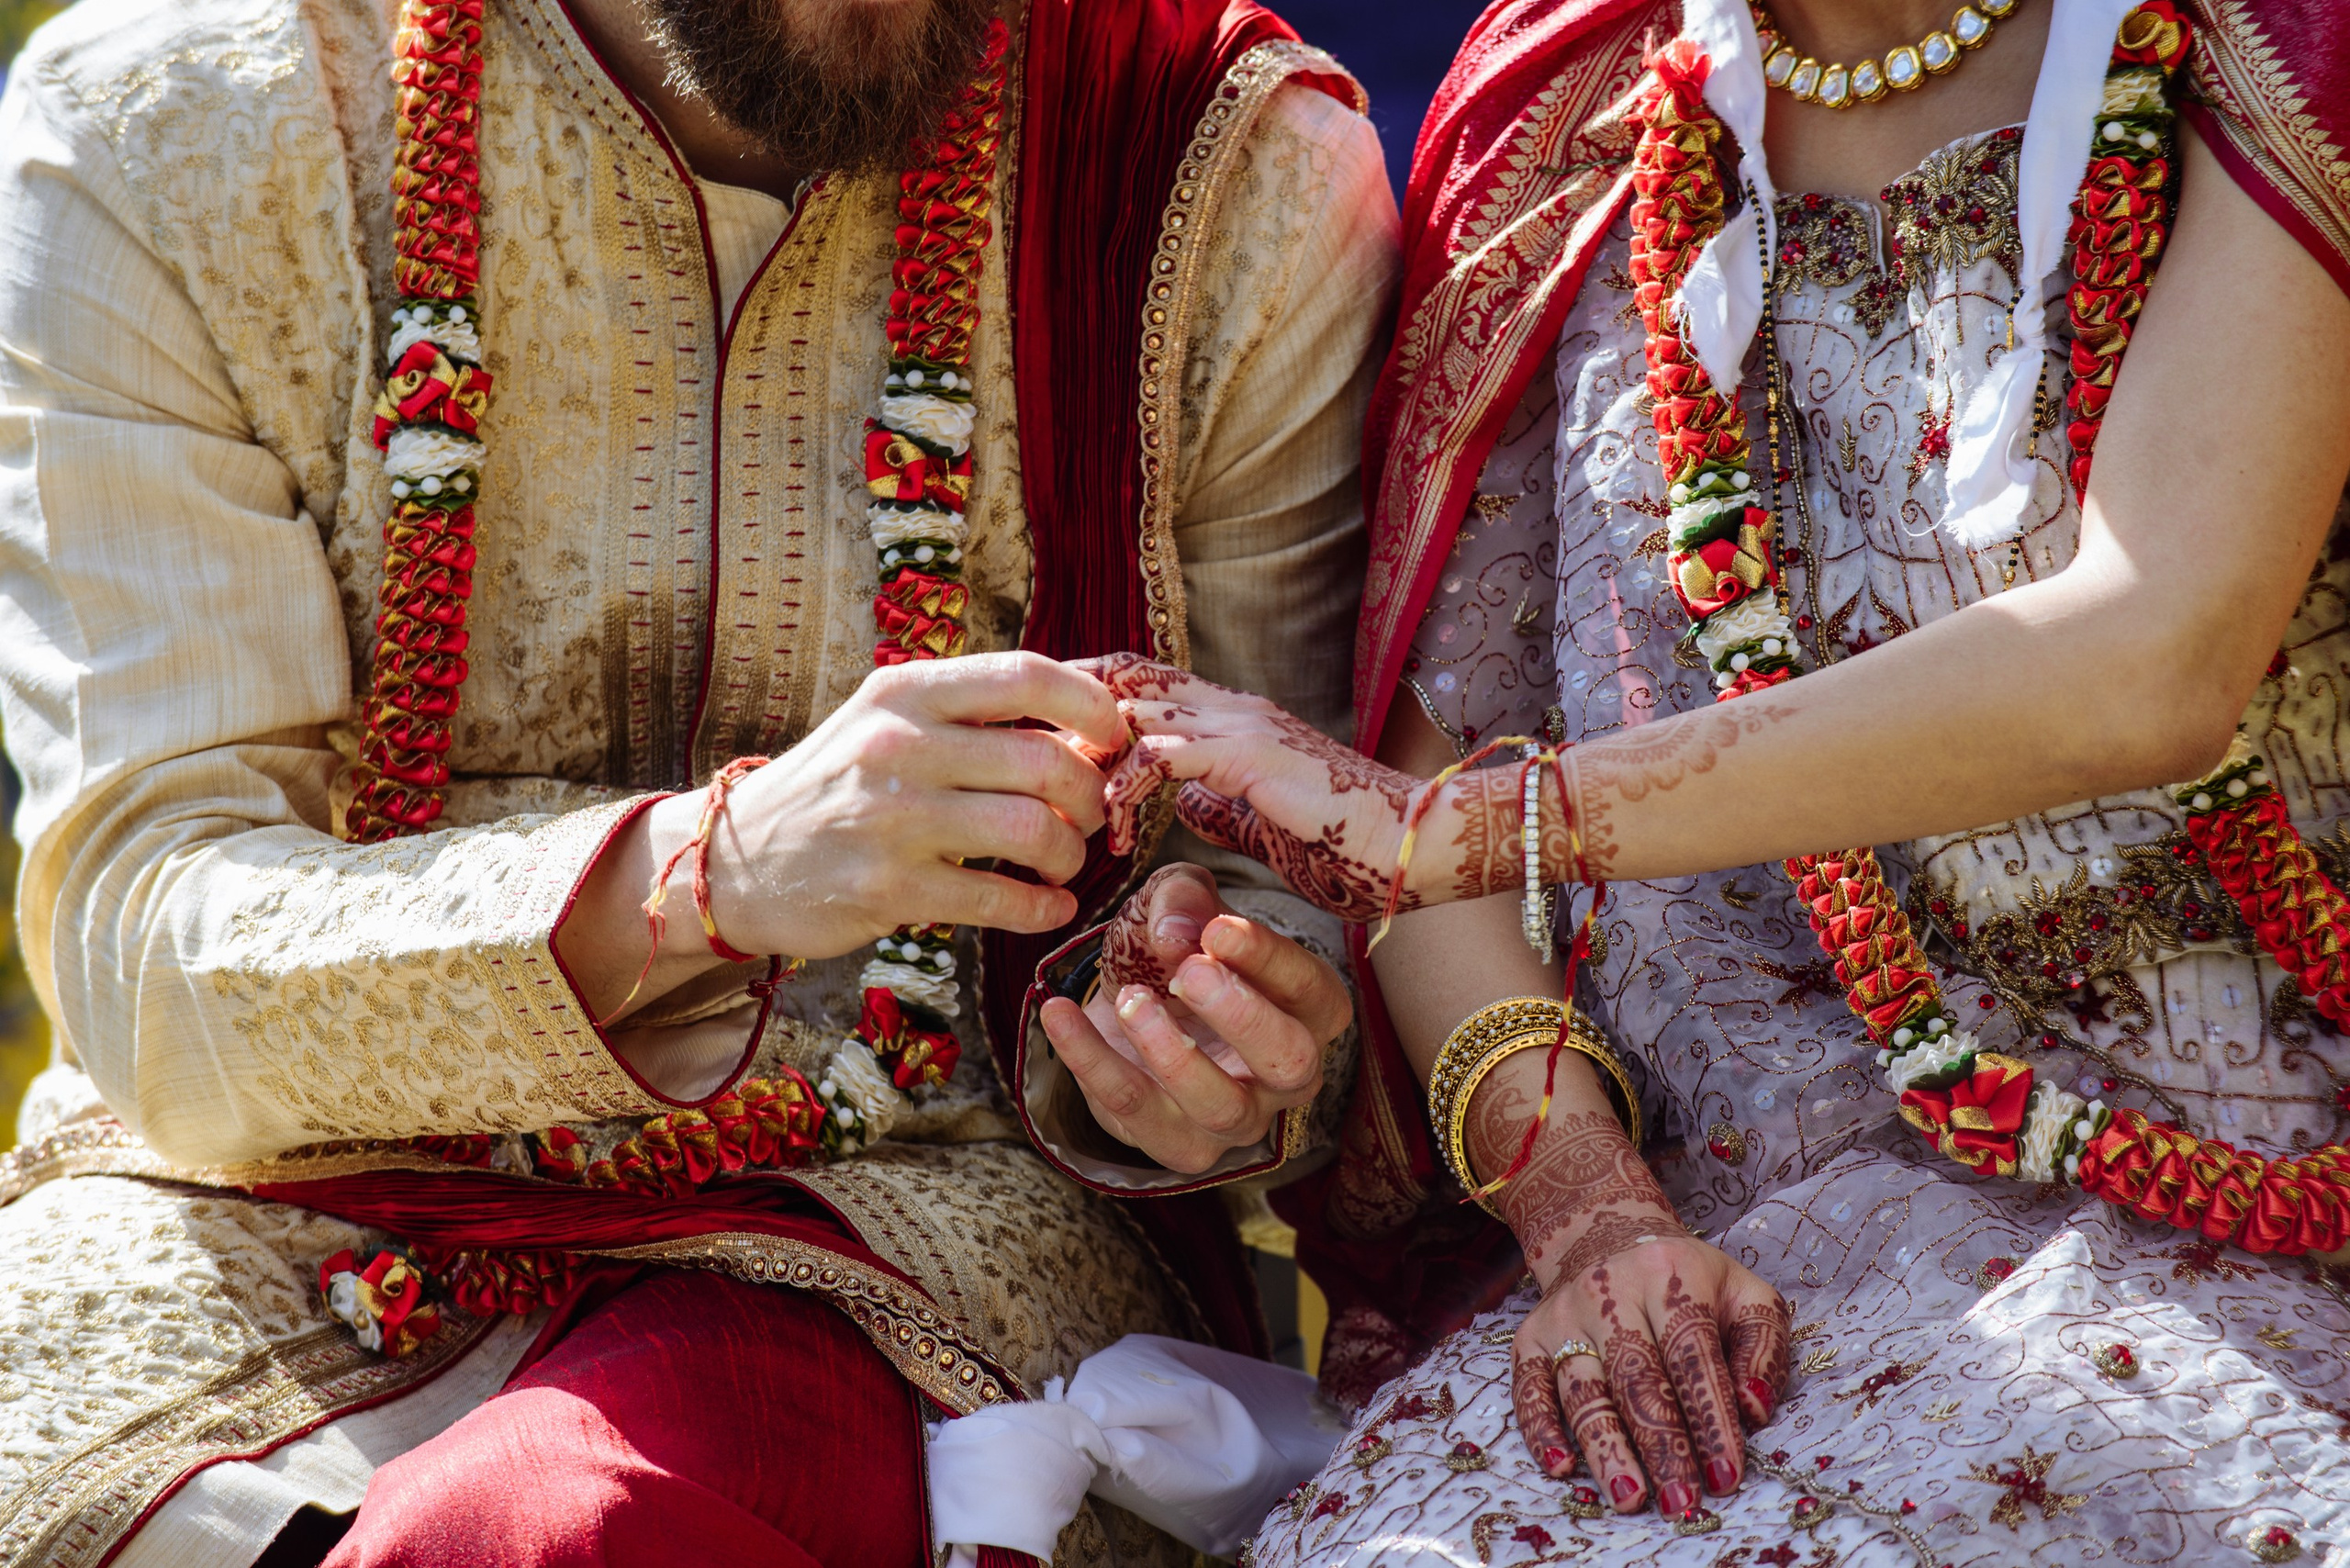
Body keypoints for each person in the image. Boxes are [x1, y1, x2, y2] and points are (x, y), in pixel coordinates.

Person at [0, 0, 1396, 1559]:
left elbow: (1319, 886)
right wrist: (711, 876)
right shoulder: (181, 127)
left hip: (911, 1209)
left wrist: (1209, 1052)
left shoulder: (1221, 174)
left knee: (556, 1531)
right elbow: (145, 944)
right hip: (255, 1203)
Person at [1091, 0, 2350, 1562]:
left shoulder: (2271, 52)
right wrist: (1591, 1215)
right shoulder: (1561, 114)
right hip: (1724, 1269)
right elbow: (1428, 836)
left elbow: (2154, 650)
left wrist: (1457, 830)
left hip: (2249, 1238)